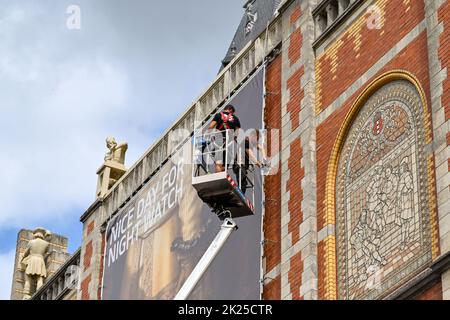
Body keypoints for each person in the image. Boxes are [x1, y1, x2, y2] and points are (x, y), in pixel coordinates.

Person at [208, 105, 241, 172]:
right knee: (226, 164)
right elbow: (237, 133)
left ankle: (218, 176)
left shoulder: (218, 115)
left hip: (218, 140)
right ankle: (222, 173)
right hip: (229, 142)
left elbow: (210, 127)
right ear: (231, 110)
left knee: (218, 163)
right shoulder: (236, 118)